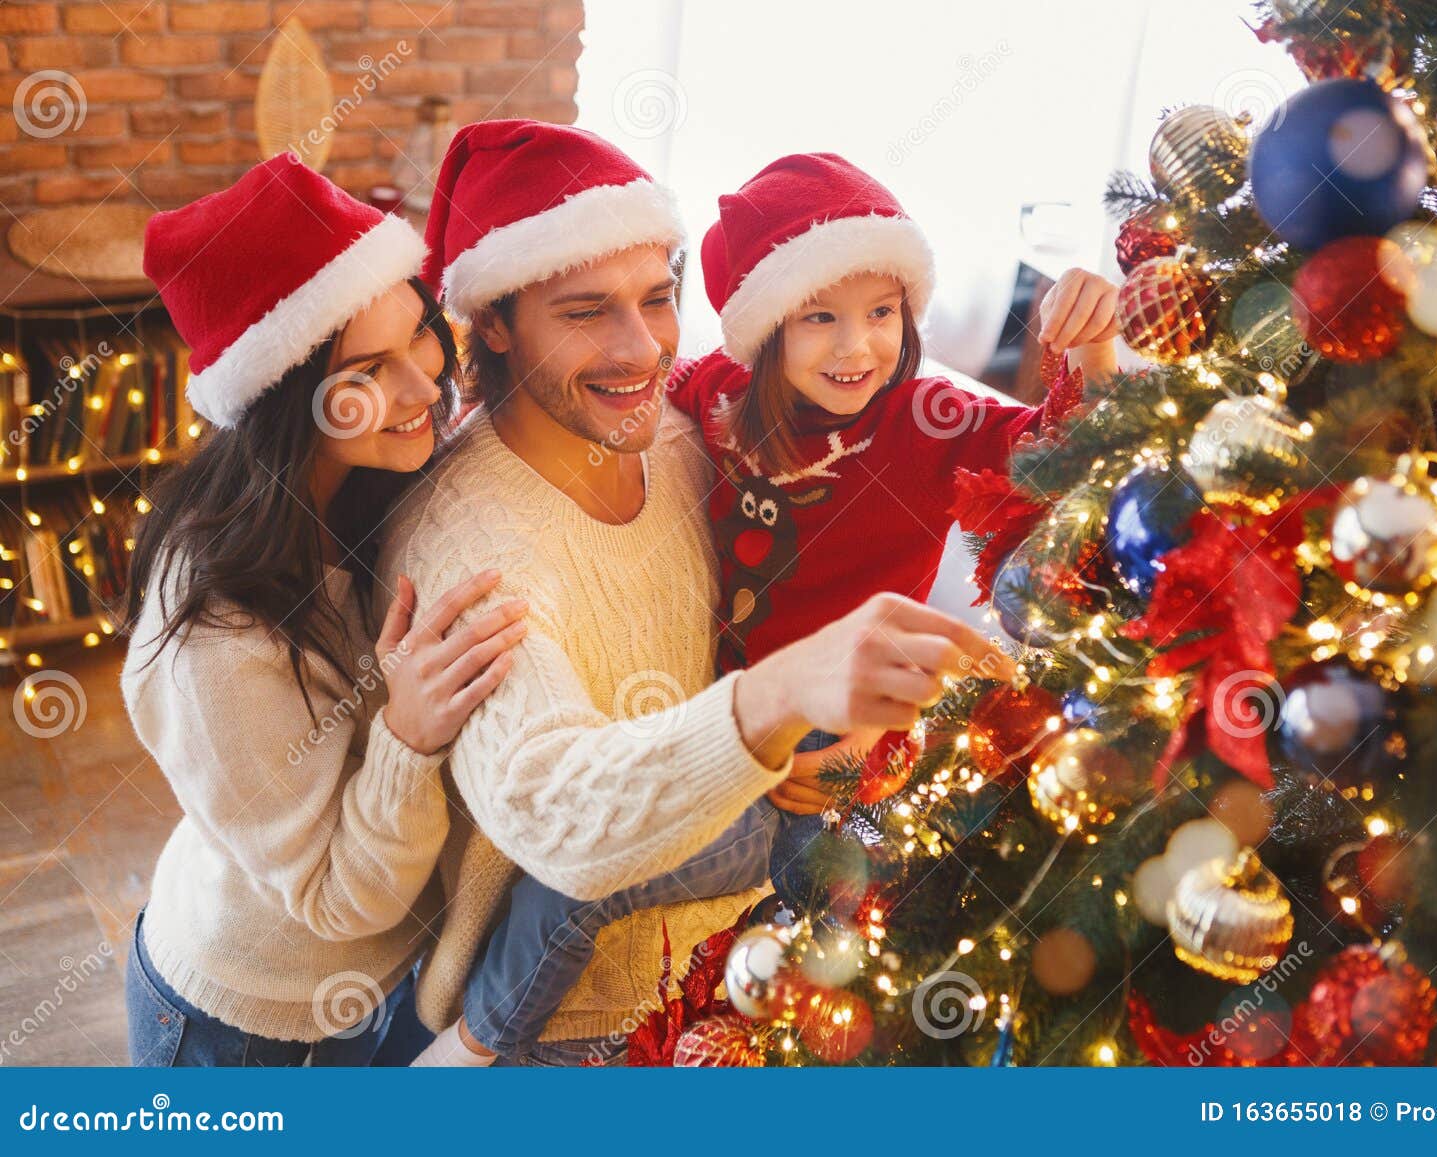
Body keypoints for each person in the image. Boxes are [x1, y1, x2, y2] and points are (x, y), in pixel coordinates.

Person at [379, 120, 1013, 1066]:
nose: (641, 348)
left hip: (727, 963)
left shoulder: (676, 426)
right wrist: (778, 703)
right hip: (579, 1030)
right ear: (496, 323)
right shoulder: (471, 542)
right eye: (588, 309)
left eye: (658, 298)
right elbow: (565, 823)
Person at [121, 154, 524, 1066]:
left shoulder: (367, 485)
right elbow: (338, 895)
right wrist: (409, 735)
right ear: (280, 398)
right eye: (371, 369)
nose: (426, 385)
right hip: (245, 1030)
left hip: (380, 989)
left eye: (420, 333)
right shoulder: (213, 628)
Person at [668, 152, 1120, 909]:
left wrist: (1094, 343)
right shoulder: (721, 391)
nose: (858, 348)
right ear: (763, 327)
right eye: (821, 317)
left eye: (882, 312)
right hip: (727, 719)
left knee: (833, 912)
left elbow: (1073, 457)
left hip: (853, 736)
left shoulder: (926, 421)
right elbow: (651, 394)